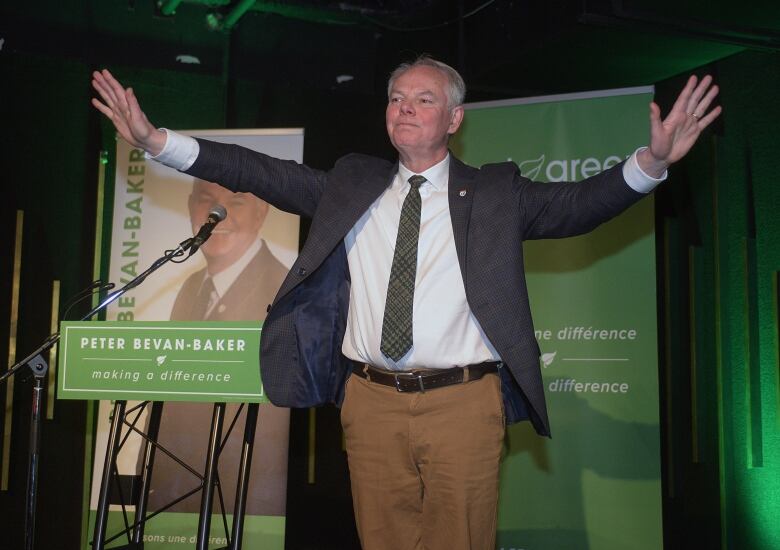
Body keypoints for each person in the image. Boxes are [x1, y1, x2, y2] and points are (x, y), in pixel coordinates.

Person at [92, 56, 720, 550]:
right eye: (396, 98)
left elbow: (578, 206)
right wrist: (156, 140)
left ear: (454, 119)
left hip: (463, 402)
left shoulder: (496, 191)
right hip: (369, 401)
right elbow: (256, 170)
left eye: (424, 99)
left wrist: (651, 162)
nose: (405, 108)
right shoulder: (351, 184)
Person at [149, 178, 290, 516]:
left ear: (262, 212)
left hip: (242, 491)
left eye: (237, 202)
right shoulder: (191, 287)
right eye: (207, 200)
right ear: (190, 206)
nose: (220, 214)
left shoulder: (282, 289)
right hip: (176, 489)